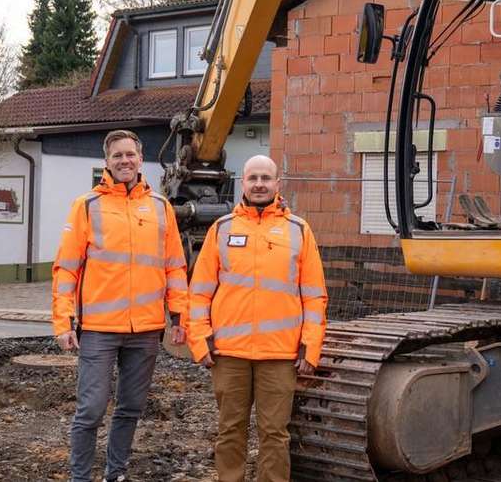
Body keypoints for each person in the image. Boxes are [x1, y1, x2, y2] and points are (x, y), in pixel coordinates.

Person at [52, 129, 188, 482]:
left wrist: (178, 316)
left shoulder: (160, 208)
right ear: (106, 162)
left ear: (141, 159)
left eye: (131, 154)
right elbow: (66, 267)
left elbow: (174, 266)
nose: (125, 161)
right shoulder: (87, 206)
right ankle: (80, 477)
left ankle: (117, 473)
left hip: (145, 331)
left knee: (130, 409)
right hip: (99, 329)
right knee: (91, 410)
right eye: (118, 156)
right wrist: (63, 322)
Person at [186, 154, 328, 482]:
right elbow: (199, 293)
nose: (260, 184)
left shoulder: (298, 231)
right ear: (243, 183)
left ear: (278, 184)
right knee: (230, 431)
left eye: (266, 178)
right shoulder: (222, 230)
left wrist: (311, 347)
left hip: (279, 356)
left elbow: (314, 296)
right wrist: (200, 340)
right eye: (253, 178)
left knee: (275, 435)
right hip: (229, 354)